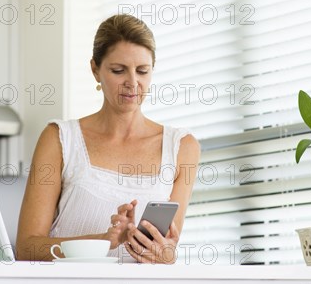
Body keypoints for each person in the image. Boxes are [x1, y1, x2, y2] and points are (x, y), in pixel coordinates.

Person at [16, 14, 201, 264]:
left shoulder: (181, 147)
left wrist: (165, 255)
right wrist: (103, 241)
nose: (133, 83)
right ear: (95, 70)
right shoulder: (59, 139)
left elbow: (167, 248)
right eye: (118, 70)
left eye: (143, 71)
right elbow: (27, 248)